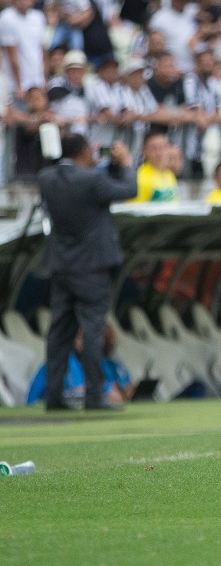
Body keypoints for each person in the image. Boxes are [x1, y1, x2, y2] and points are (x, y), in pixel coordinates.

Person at [37, 134, 136, 410]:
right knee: (93, 329)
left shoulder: (46, 178)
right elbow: (129, 190)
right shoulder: (92, 180)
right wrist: (126, 164)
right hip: (92, 267)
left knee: (59, 332)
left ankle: (54, 396)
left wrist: (108, 167)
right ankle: (94, 394)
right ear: (82, 151)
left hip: (61, 265)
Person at [129, 132, 178, 203]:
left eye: (163, 147)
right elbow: (134, 208)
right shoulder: (140, 178)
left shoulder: (169, 174)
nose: (159, 153)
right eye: (154, 148)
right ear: (143, 151)